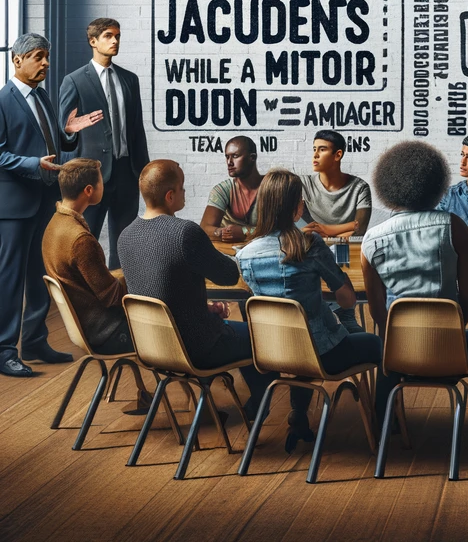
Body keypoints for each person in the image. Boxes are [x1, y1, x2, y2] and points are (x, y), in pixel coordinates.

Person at [360, 141, 468, 444]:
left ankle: (385, 424)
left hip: (400, 352)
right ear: (436, 183)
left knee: (384, 345)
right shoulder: (454, 226)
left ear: (389, 185)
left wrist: (398, 339)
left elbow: (377, 309)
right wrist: (450, 331)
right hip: (450, 347)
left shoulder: (371, 239)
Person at [237, 169, 382, 452]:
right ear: (298, 207)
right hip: (321, 354)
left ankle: (298, 416)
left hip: (271, 351)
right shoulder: (308, 244)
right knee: (374, 343)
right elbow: (347, 300)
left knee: (297, 341)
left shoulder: (244, 255)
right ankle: (387, 425)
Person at [118, 160, 271, 416]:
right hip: (196, 345)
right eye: (182, 187)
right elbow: (228, 275)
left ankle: (223, 406)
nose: (186, 192)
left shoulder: (125, 235)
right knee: (263, 335)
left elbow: (157, 291)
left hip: (153, 346)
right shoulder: (184, 232)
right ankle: (258, 411)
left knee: (242, 330)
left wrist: (204, 308)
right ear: (170, 195)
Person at [0, 32, 102, 376]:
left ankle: (34, 341)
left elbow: (54, 141)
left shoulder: (42, 96)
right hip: (14, 207)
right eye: (39, 57)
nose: (46, 63)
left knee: (41, 274)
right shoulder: (2, 100)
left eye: (47, 57)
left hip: (45, 199)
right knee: (11, 279)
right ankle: (4, 351)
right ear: (18, 60)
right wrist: (32, 165)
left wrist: (70, 132)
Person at [59, 18, 149, 270]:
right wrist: (69, 131)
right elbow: (64, 133)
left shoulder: (130, 80)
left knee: (125, 244)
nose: (115, 41)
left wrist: (144, 172)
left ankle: (121, 299)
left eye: (118, 36)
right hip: (92, 177)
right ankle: (86, 299)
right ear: (93, 41)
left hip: (127, 174)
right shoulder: (74, 81)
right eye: (108, 36)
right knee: (85, 241)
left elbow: (137, 131)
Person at [42, 158, 131, 355]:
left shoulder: (55, 224)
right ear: (89, 190)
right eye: (102, 183)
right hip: (108, 332)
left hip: (87, 328)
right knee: (174, 327)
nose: (104, 187)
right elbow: (112, 297)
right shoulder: (80, 240)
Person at [300, 130, 371, 240]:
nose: (315, 155)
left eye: (322, 150)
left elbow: (360, 230)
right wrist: (349, 227)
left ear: (338, 155)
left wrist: (325, 230)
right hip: (313, 250)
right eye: (314, 149)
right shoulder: (304, 183)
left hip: (348, 250)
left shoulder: (360, 187)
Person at [200, 136, 264, 243]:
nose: (229, 162)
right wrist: (223, 233)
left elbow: (282, 228)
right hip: (227, 253)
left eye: (235, 156)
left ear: (252, 158)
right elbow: (204, 228)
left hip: (263, 251)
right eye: (227, 157)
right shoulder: (223, 190)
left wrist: (244, 232)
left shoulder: (272, 186)